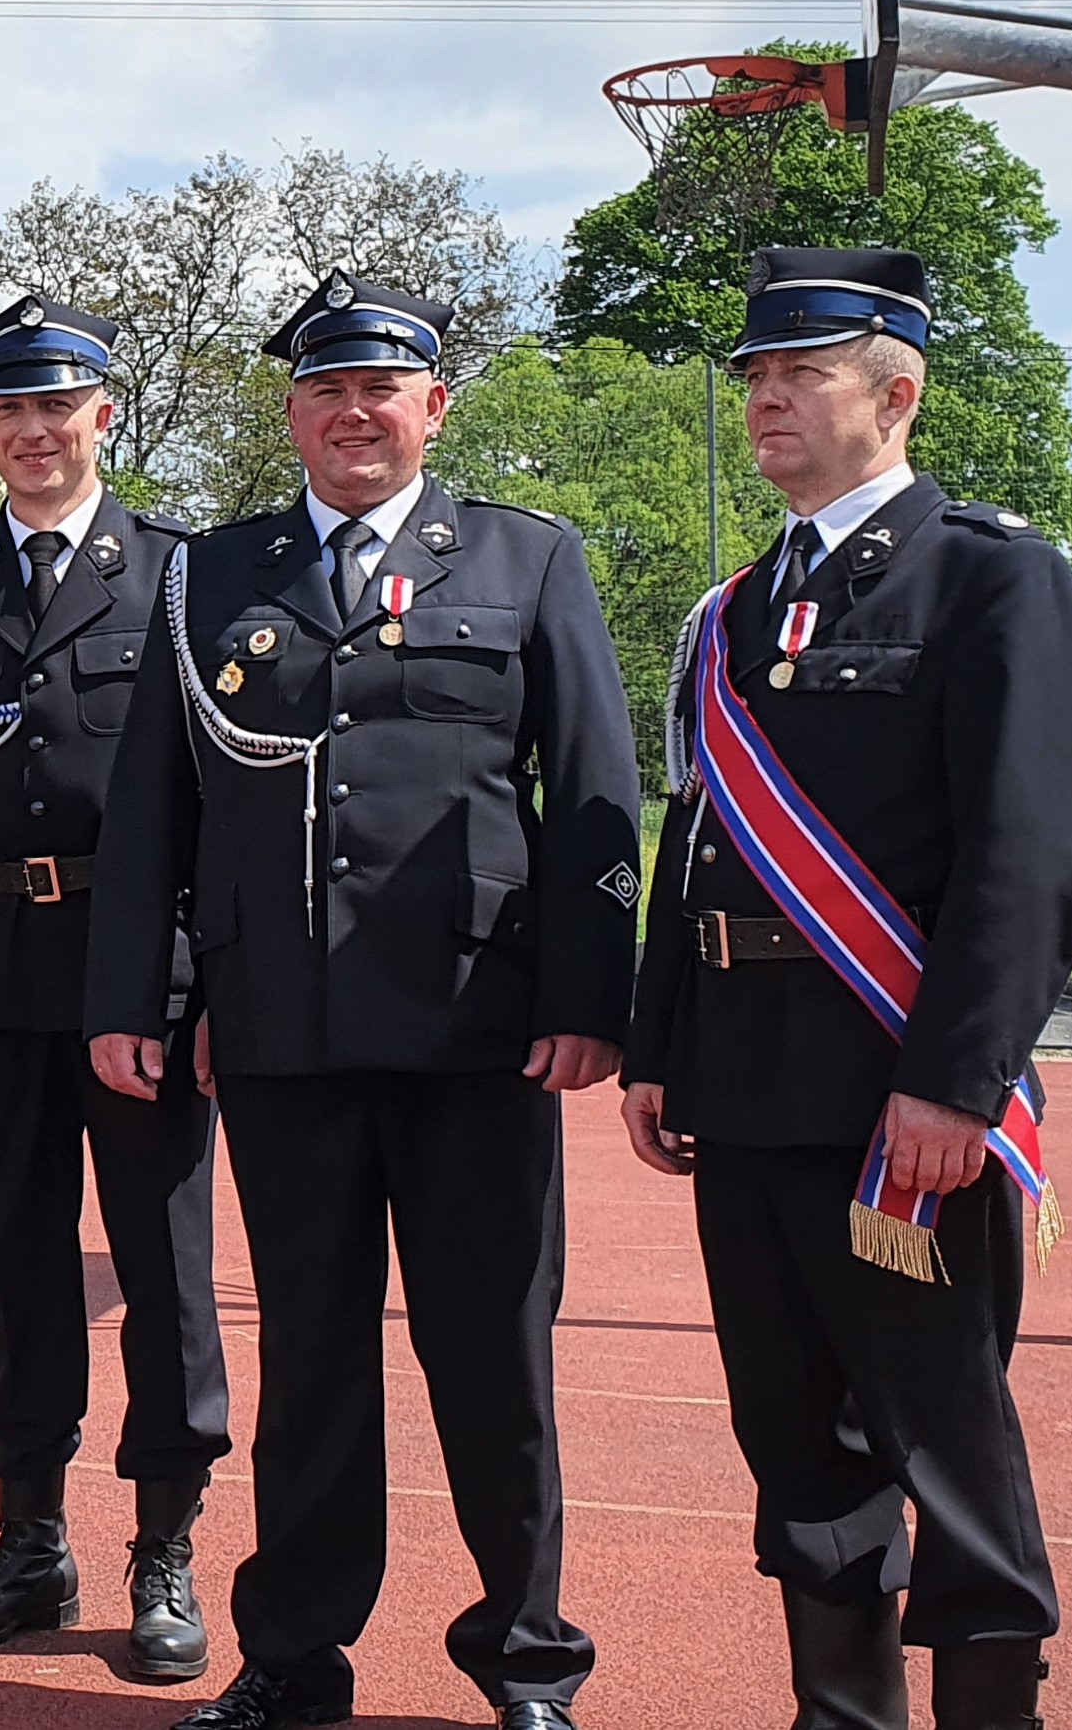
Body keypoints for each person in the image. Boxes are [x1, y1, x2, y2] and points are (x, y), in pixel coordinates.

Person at [86, 272, 641, 1730]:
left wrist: (590, 996)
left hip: (476, 1032)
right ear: (291, 415)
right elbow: (153, 808)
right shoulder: (211, 574)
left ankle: (526, 1663)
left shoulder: (525, 558)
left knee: (493, 1360)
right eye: (325, 390)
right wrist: (139, 993)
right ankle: (291, 1659)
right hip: (284, 1030)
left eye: (380, 388)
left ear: (432, 407)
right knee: (312, 1360)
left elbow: (594, 791)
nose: (353, 413)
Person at [618, 248, 1072, 1730]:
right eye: (755, 377)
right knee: (794, 1439)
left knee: (940, 1436)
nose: (766, 399)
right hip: (743, 1083)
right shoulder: (734, 609)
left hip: (899, 1095)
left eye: (801, 374)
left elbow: (1028, 853)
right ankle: (840, 1714)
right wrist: (659, 1044)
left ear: (896, 395)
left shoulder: (991, 577)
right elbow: (696, 832)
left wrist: (955, 1080)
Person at [0, 297, 228, 1678]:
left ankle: (164, 1547)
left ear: (101, 417)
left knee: (162, 1268)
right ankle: (29, 1543)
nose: (32, 431)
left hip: (145, 974)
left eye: (55, 407)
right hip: (2, 964)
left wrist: (214, 984)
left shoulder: (179, 572)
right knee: (15, 1261)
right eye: (7, 409)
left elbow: (217, 801)